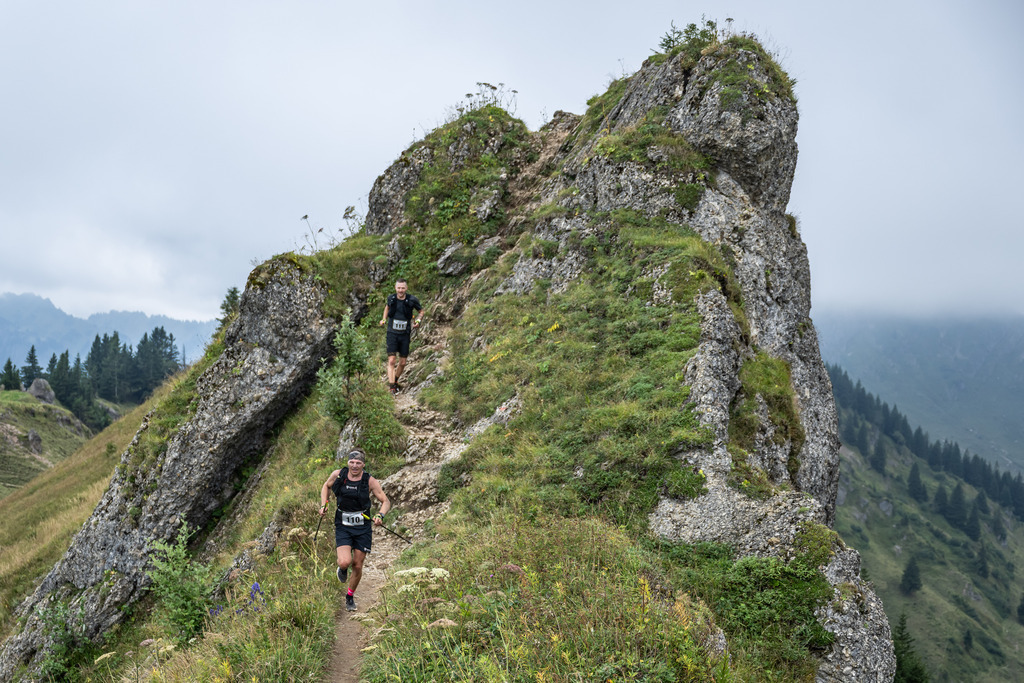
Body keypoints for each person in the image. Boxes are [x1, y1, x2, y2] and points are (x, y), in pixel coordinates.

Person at [319, 448, 391, 612]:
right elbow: (326, 486)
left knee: (357, 565)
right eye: (352, 462)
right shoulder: (339, 474)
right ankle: (342, 569)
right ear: (348, 462)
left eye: (358, 463)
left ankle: (350, 596)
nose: (355, 465)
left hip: (363, 527)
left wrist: (381, 515)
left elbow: (385, 501)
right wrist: (324, 504)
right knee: (345, 561)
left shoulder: (369, 481)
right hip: (343, 525)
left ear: (363, 464)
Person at [378, 278, 423, 394]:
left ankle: (396, 381)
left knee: (402, 362)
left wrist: (418, 321)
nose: (401, 290)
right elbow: (387, 307)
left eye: (403, 288)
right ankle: (392, 386)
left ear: (406, 288)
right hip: (392, 333)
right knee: (392, 360)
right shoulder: (391, 298)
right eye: (399, 288)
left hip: (405, 334)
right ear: (395, 288)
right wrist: (384, 319)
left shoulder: (412, 300)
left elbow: (421, 311)